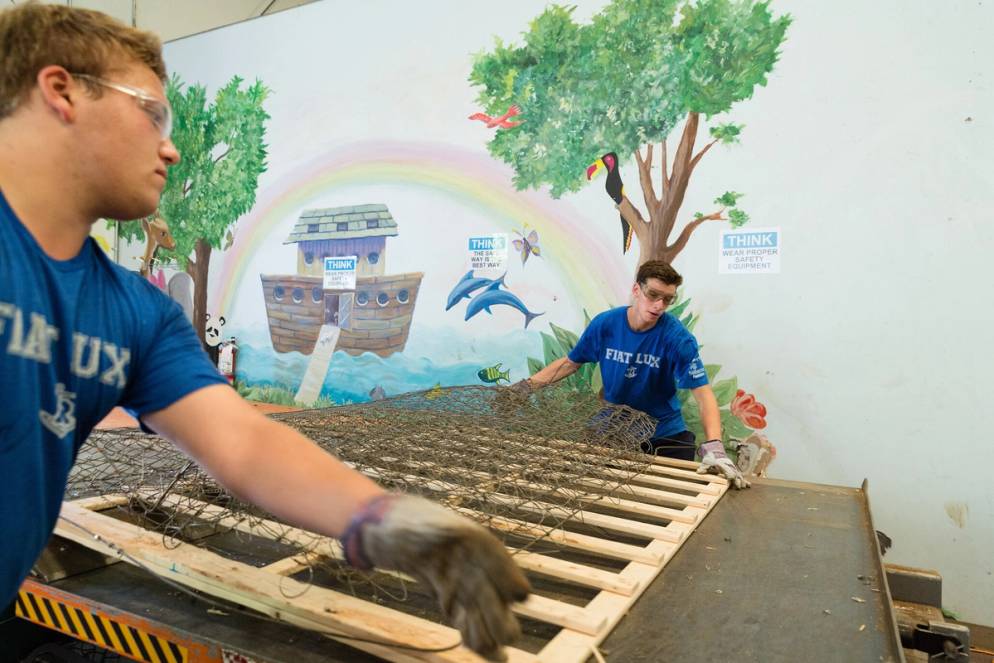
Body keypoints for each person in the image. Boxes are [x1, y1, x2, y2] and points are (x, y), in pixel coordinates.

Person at [0, 4, 528, 660]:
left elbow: (244, 443)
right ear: (62, 91)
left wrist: (384, 519)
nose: (170, 146)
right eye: (152, 113)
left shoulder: (136, 314)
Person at [524, 260, 750, 489]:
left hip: (664, 432)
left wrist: (714, 446)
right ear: (636, 290)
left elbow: (703, 394)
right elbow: (570, 363)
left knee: (678, 492)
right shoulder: (606, 324)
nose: (659, 305)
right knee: (588, 488)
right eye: (653, 294)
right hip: (611, 428)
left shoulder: (677, 339)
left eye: (667, 299)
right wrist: (525, 387)